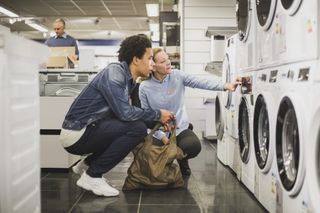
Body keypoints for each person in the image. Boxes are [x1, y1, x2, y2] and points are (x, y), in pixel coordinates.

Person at [59, 35, 174, 197]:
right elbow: (125, 113)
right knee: (137, 129)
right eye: (149, 58)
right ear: (136, 60)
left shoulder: (129, 80)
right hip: (77, 133)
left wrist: (158, 122)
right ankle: (93, 175)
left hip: (88, 129)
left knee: (135, 127)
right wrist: (157, 114)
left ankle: (86, 166)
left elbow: (130, 113)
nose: (153, 64)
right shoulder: (115, 73)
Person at [139, 48, 241, 176]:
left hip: (179, 128)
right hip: (158, 131)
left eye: (168, 59)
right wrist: (162, 136)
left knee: (193, 146)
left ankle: (182, 160)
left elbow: (201, 82)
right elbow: (147, 116)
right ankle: (165, 164)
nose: (169, 62)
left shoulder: (177, 76)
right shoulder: (144, 87)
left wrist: (226, 86)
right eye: (163, 61)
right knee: (151, 152)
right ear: (153, 67)